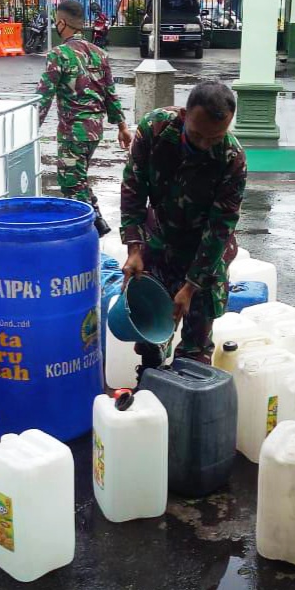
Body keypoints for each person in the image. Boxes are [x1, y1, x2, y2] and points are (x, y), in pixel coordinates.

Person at [120, 80, 247, 373]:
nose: (204, 145)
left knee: (197, 340)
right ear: (183, 115)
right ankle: (151, 379)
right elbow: (133, 189)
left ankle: (189, 392)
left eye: (214, 138)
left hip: (205, 251)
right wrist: (134, 248)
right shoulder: (155, 130)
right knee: (151, 326)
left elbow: (220, 227)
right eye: (197, 135)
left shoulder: (232, 158)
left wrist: (191, 286)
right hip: (160, 237)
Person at [36, 0, 132, 237]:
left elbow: (43, 96)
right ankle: (97, 222)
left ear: (62, 23)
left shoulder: (59, 55)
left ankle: (89, 231)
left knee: (70, 183)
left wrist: (29, 128)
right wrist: (122, 127)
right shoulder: (100, 54)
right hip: (94, 130)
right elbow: (111, 93)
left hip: (73, 132)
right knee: (78, 178)